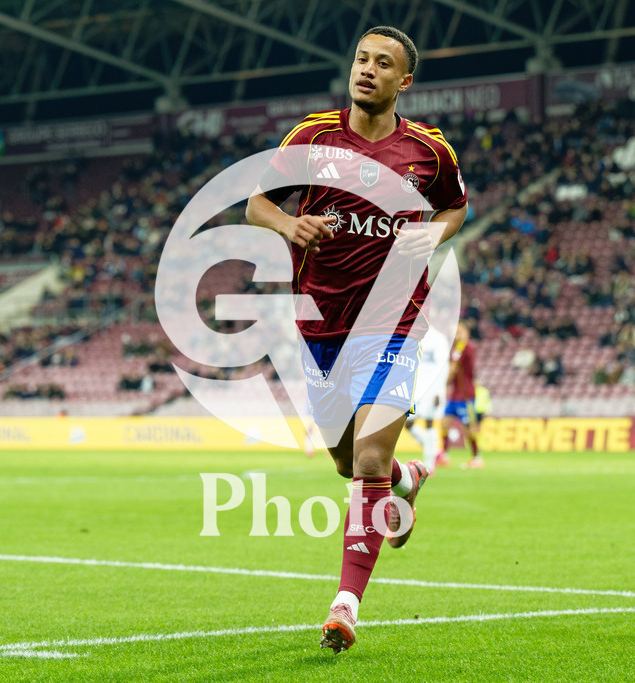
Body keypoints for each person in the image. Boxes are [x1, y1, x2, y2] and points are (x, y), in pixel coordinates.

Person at [245, 25, 468, 654]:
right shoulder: (312, 136)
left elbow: (456, 206)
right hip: (319, 325)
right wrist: (290, 224)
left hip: (392, 322)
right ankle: (406, 477)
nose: (367, 69)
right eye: (361, 59)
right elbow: (255, 203)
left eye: (383, 63)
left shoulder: (429, 151)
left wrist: (435, 234)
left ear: (405, 82)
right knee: (349, 463)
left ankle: (345, 605)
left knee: (362, 463)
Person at [406, 325, 451, 473]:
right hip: (415, 388)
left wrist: (439, 391)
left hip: (432, 389)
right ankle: (433, 449)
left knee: (429, 423)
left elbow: (443, 367)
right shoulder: (411, 336)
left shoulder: (438, 339)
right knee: (407, 423)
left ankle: (429, 466)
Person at [440, 322, 479, 466]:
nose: (456, 335)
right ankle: (444, 456)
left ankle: (476, 458)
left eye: (459, 332)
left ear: (466, 333)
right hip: (454, 395)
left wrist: (442, 384)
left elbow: (453, 369)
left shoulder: (465, 347)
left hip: (466, 395)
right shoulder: (456, 348)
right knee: (444, 424)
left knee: (469, 429)